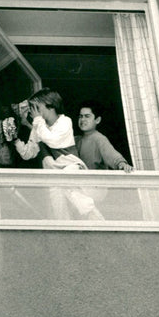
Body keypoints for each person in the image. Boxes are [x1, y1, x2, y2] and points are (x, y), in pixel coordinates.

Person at [14, 88, 103, 220]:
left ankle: (96, 218)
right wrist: (16, 141)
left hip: (70, 167)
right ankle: (65, 228)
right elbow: (29, 153)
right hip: (53, 173)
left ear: (50, 105)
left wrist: (37, 122)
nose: (33, 111)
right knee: (57, 205)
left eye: (36, 107)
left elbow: (53, 140)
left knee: (75, 195)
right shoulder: (39, 126)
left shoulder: (65, 121)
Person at [75, 100, 134, 172]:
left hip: (95, 180)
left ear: (97, 120)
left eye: (87, 116)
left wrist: (122, 164)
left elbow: (112, 155)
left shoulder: (100, 139)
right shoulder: (76, 140)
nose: (82, 119)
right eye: (80, 116)